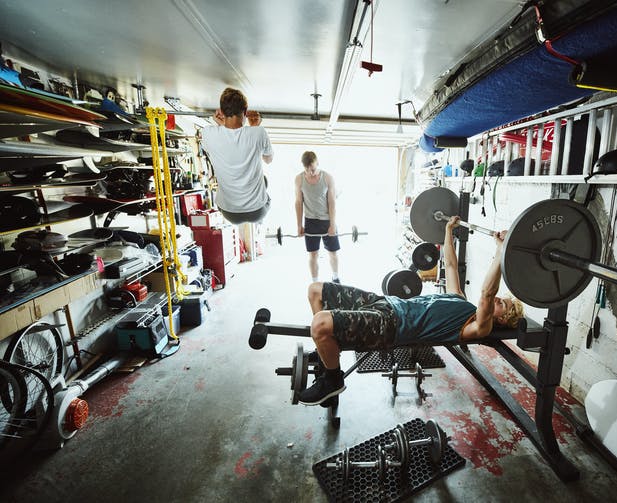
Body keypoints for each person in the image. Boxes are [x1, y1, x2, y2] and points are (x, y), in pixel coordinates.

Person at [298, 216, 524, 405]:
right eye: (501, 299)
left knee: (320, 324)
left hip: (391, 325)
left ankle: (333, 379)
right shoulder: (460, 299)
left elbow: (487, 293)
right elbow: (452, 266)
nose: (498, 300)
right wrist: (448, 230)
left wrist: (500, 252)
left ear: (501, 320)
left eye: (502, 304)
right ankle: (326, 358)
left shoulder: (477, 328)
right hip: (385, 303)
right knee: (315, 290)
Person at [200, 87, 273, 224]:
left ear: (221, 112)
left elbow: (229, 139)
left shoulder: (208, 134)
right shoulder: (258, 133)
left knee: (262, 181)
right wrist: (254, 128)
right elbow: (268, 159)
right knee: (265, 181)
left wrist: (221, 124)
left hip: (229, 212)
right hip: (257, 210)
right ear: (245, 112)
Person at [294, 151, 340, 283]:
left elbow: (332, 203)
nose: (311, 173)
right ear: (304, 167)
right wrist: (299, 225)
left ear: (317, 163)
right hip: (310, 221)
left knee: (333, 252)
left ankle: (336, 279)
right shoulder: (299, 179)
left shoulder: (327, 178)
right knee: (313, 254)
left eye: (313, 169)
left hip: (327, 220)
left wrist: (332, 224)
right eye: (307, 170)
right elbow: (298, 202)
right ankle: (315, 283)